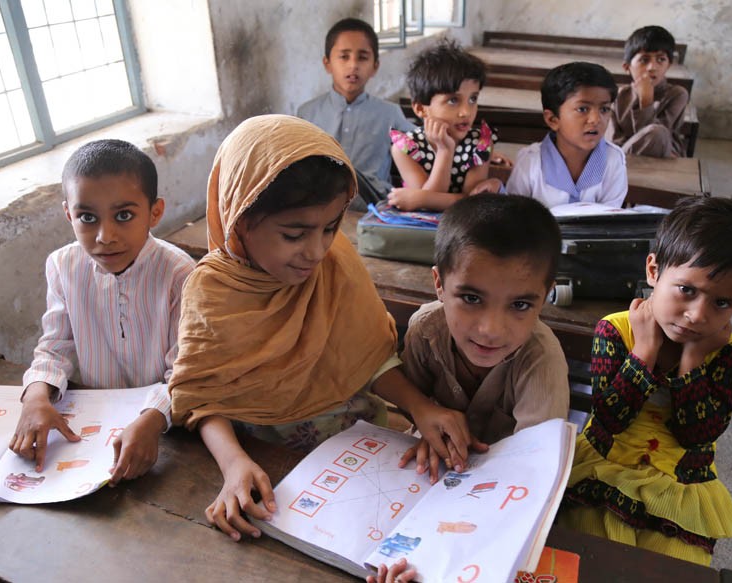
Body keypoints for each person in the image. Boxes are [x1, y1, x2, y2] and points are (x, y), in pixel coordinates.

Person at [168, 115, 483, 542]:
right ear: (239, 219)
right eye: (294, 234)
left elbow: (368, 358)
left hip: (353, 448)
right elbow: (201, 398)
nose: (316, 251)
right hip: (261, 459)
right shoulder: (213, 292)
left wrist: (420, 407)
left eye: (331, 227)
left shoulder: (336, 264)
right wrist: (234, 464)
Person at [558, 197, 732, 565]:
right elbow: (609, 420)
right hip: (604, 467)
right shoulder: (615, 331)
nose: (697, 315)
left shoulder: (729, 352)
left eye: (722, 303)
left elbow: (698, 434)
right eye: (687, 290)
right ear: (654, 270)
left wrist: (692, 363)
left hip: (681, 482)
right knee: (594, 556)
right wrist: (644, 352)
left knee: (675, 567)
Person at [10, 139, 196, 485]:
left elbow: (186, 372)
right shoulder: (63, 266)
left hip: (168, 429)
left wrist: (153, 417)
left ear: (155, 212)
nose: (105, 236)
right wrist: (36, 396)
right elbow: (55, 347)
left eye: (124, 216)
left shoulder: (179, 274)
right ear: (69, 214)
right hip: (97, 428)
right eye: (87, 218)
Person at [399, 194, 570, 482]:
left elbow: (535, 465)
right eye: (471, 298)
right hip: (430, 474)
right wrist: (430, 432)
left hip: (504, 484)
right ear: (439, 284)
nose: (491, 330)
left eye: (520, 305)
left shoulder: (541, 360)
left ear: (544, 297)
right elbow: (411, 404)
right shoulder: (426, 331)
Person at [297, 17, 415, 208]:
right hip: (319, 208)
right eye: (344, 57)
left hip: (372, 208)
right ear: (327, 64)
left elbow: (422, 148)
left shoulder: (390, 114)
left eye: (362, 57)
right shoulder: (307, 114)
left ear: (375, 66)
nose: (353, 65)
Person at [387, 39, 505, 212]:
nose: (466, 112)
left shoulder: (479, 144)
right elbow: (427, 208)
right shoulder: (405, 148)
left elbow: (471, 204)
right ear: (421, 108)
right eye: (453, 100)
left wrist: (420, 198)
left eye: (473, 99)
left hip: (463, 225)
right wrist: (445, 151)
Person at [506, 62, 627, 209]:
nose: (596, 119)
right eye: (582, 109)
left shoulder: (613, 159)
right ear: (553, 120)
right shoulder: (530, 161)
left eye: (604, 109)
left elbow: (611, 218)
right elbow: (515, 214)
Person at [611, 26, 689, 158]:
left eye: (661, 59)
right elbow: (613, 140)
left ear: (669, 65)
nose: (652, 67)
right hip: (625, 157)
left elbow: (657, 139)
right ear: (627, 67)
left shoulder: (677, 94)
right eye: (644, 60)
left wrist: (646, 100)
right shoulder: (618, 96)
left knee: (658, 132)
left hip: (664, 158)